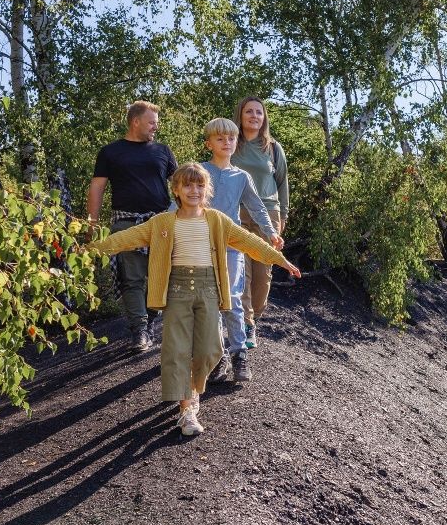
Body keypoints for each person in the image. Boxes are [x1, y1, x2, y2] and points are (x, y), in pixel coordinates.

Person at [86, 163, 300, 435]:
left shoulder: (217, 220)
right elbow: (126, 238)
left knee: (211, 349)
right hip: (176, 290)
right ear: (176, 189)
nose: (194, 190)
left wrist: (280, 260)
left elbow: (250, 242)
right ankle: (187, 410)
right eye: (187, 185)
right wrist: (90, 248)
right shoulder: (163, 222)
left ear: (207, 190)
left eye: (200, 185)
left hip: (209, 289)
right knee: (176, 349)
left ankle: (192, 388)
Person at [87, 101, 177, 352]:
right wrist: (91, 224)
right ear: (135, 122)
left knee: (163, 276)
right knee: (132, 279)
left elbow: (180, 184)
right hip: (126, 223)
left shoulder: (163, 151)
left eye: (156, 123)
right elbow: (97, 188)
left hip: (161, 222)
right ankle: (139, 330)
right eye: (152, 122)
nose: (156, 127)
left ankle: (150, 319)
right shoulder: (110, 152)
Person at [199, 118, 281, 384]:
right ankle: (218, 355)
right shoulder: (199, 171)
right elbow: (178, 202)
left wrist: (271, 232)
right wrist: (163, 229)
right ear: (209, 143)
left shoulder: (241, 176)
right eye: (220, 139)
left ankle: (239, 354)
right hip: (202, 245)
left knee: (233, 299)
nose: (227, 143)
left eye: (231, 138)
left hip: (232, 245)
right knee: (210, 303)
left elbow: (257, 207)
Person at [231, 96, 290, 350]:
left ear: (264, 117)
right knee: (240, 270)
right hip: (237, 212)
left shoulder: (273, 148)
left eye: (258, 112)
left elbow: (283, 183)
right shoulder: (232, 143)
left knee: (263, 272)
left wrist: (283, 215)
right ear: (240, 115)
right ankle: (246, 324)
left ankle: (254, 315)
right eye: (249, 112)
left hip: (268, 213)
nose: (254, 116)